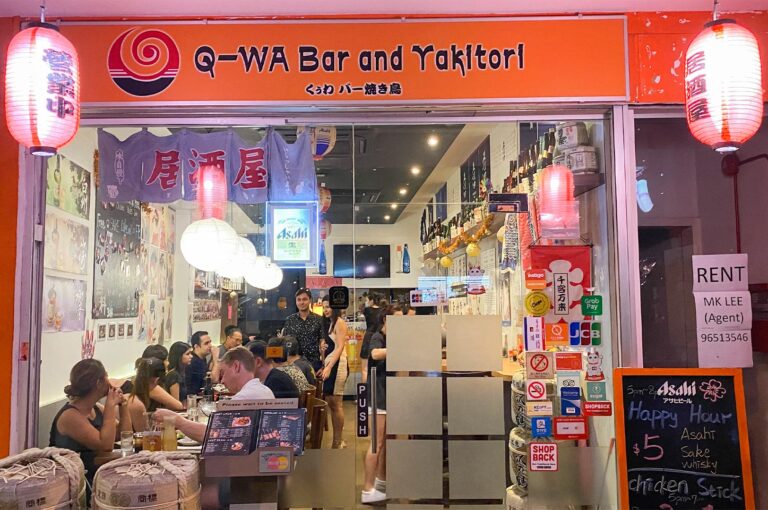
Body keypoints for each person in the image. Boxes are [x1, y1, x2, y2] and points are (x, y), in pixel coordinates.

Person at [155, 347, 274, 443]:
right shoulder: (265, 390)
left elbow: (211, 435)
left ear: (236, 367)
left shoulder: (243, 399)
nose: (222, 381)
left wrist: (176, 420)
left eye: (223, 373)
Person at [49, 359, 132, 491]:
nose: (110, 381)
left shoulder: (96, 408)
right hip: (75, 484)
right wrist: (110, 405)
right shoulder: (70, 416)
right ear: (99, 383)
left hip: (98, 475)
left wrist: (124, 405)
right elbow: (106, 446)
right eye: (106, 376)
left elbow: (125, 437)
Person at [362, 305, 400, 504]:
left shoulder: (391, 339)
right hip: (378, 397)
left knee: (383, 443)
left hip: (386, 396)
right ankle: (368, 489)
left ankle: (381, 482)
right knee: (376, 443)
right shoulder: (378, 336)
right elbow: (375, 354)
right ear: (386, 319)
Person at [320, 295, 349, 449]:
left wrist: (330, 366)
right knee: (331, 402)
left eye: (328, 307)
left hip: (338, 365)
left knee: (336, 403)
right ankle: (337, 440)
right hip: (329, 364)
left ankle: (338, 441)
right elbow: (329, 347)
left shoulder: (339, 322)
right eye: (324, 307)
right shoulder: (328, 324)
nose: (326, 310)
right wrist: (322, 350)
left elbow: (340, 347)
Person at [128, 357, 184, 430]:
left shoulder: (135, 386)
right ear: (157, 379)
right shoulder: (151, 388)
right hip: (148, 434)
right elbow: (178, 406)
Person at [282, 288, 324, 370]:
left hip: (314, 364)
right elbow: (285, 344)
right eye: (299, 300)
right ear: (296, 301)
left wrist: (323, 366)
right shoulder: (290, 320)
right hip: (294, 365)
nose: (301, 302)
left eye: (304, 299)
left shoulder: (319, 319)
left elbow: (322, 343)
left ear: (310, 300)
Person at [186, 331, 212, 397]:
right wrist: (216, 359)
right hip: (192, 398)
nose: (210, 345)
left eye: (210, 342)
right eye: (206, 343)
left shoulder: (202, 358)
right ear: (196, 346)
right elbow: (212, 379)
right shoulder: (194, 361)